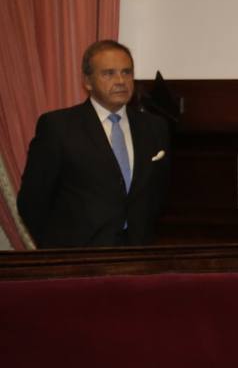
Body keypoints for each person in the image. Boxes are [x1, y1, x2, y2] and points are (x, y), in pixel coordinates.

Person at [18, 40, 171, 248]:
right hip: (79, 258)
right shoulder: (58, 127)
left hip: (138, 255)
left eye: (126, 72)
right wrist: (57, 251)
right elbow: (32, 200)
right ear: (87, 82)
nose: (120, 81)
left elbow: (159, 194)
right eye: (109, 73)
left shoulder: (154, 127)